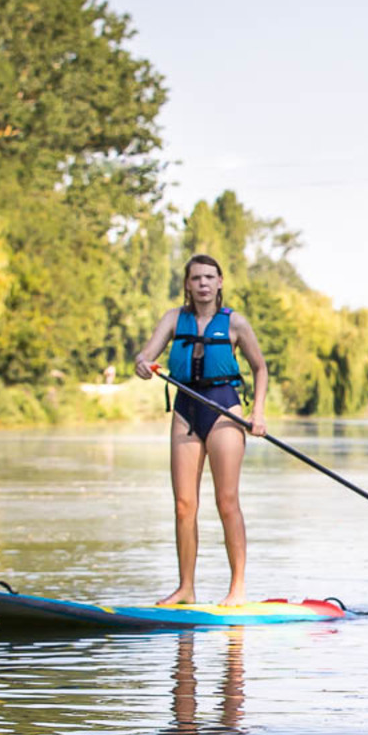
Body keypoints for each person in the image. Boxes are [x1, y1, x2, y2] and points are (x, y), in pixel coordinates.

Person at [133, 255, 271, 605]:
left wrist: (258, 412)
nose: (203, 284)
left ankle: (237, 587)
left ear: (220, 282)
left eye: (210, 277)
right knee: (183, 505)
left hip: (224, 408)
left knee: (227, 501)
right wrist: (143, 366)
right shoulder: (172, 319)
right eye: (196, 278)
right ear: (187, 284)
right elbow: (145, 356)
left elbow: (260, 368)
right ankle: (186, 588)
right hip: (185, 408)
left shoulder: (236, 323)